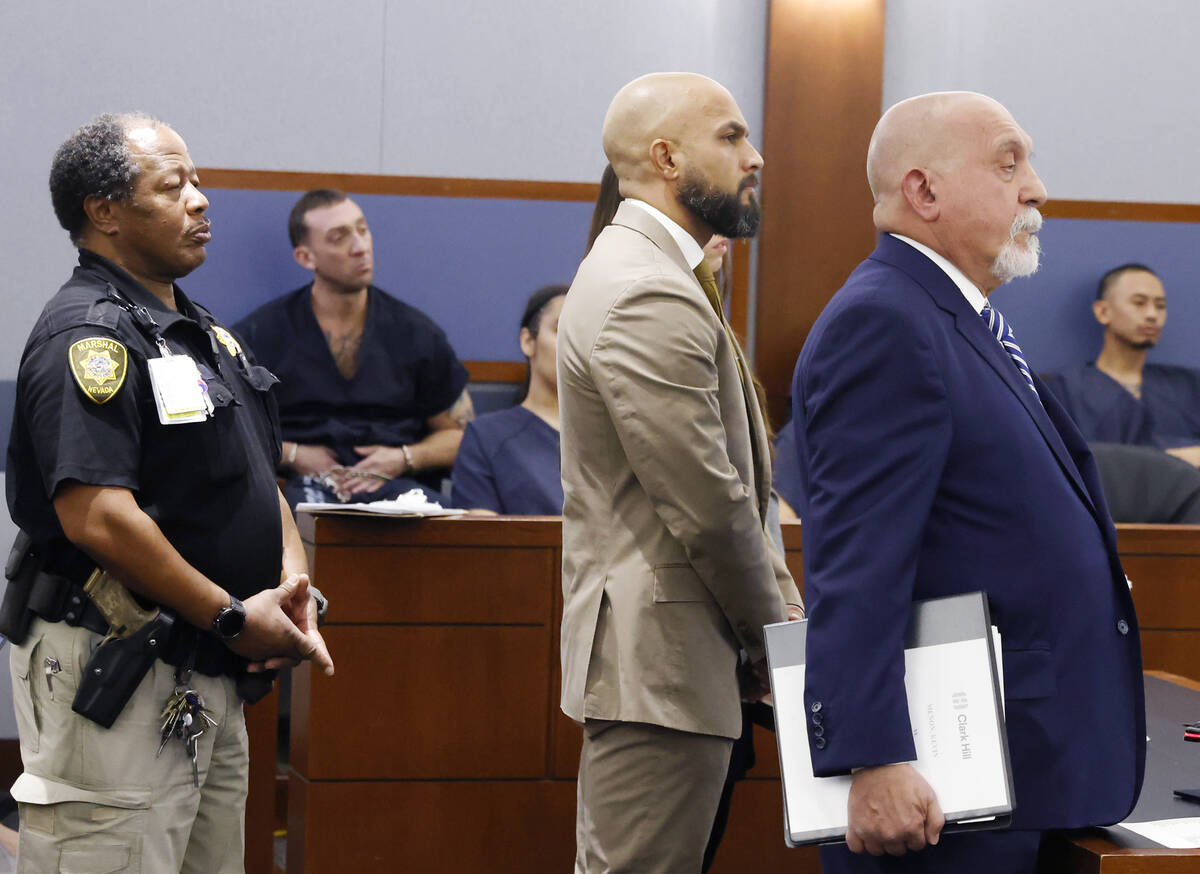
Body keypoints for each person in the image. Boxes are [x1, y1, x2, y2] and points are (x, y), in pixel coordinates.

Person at [791, 91, 1144, 873]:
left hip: (1019, 773)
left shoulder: (957, 317)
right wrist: (872, 758)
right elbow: (858, 563)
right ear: (924, 193)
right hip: (942, 798)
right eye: (1008, 163)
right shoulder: (886, 322)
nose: (1037, 188)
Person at [6, 112, 334, 873]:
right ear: (105, 212)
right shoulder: (87, 336)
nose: (201, 199)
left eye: (197, 180)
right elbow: (95, 514)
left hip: (208, 666)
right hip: (120, 660)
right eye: (173, 185)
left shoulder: (201, 335)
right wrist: (227, 614)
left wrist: (287, 585)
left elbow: (256, 475)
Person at [558, 72, 802, 874]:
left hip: (675, 657)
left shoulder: (658, 274)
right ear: (665, 157)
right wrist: (779, 646)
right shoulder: (643, 290)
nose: (755, 156)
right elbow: (710, 507)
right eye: (731, 137)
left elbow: (735, 491)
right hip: (660, 665)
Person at [234, 189, 473, 508]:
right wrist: (293, 454)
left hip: (396, 486)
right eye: (339, 237)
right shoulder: (261, 333)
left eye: (362, 229)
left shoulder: (416, 333)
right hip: (297, 486)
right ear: (306, 257)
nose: (361, 247)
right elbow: (232, 433)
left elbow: (460, 436)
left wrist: (402, 458)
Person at [1043, 264, 1200, 465]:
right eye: (1139, 303)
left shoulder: (1189, 386)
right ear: (1102, 312)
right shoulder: (1064, 391)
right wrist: (1170, 460)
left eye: (1160, 306)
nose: (1152, 314)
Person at [450, 284, 566, 514]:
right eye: (561, 328)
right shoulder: (486, 437)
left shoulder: (616, 436)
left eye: (586, 333)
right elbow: (483, 539)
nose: (574, 343)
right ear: (528, 341)